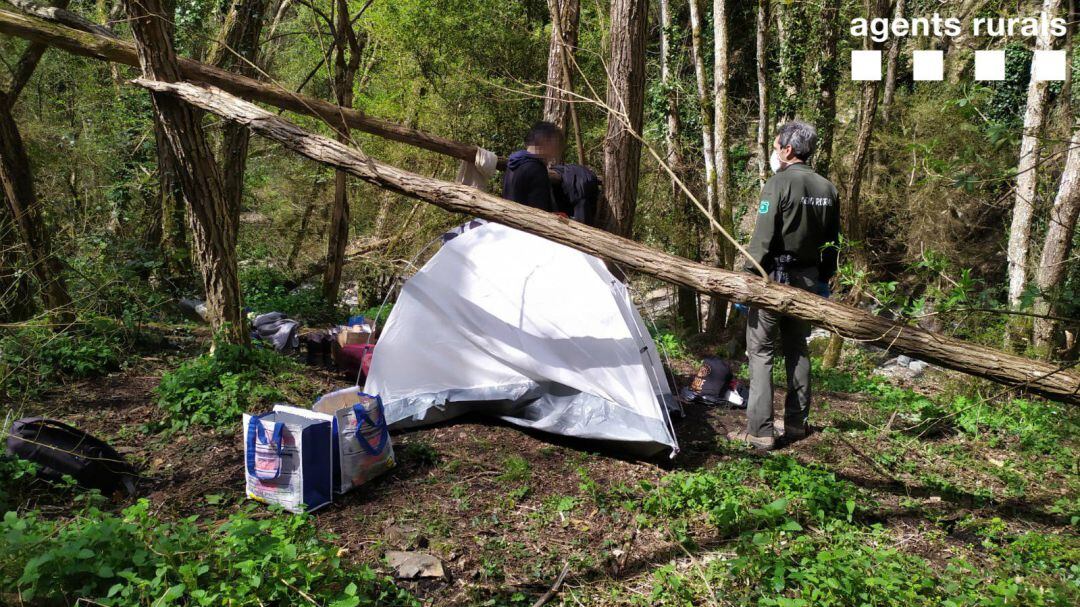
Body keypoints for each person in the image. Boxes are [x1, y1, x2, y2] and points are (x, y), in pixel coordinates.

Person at [727, 120, 841, 450]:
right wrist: (823, 279)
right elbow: (832, 242)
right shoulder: (828, 188)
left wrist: (748, 278)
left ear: (788, 150)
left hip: (772, 279)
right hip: (808, 280)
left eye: (777, 146)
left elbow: (763, 239)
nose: (775, 151)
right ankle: (795, 424)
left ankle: (760, 431)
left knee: (760, 351)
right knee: (797, 348)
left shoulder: (778, 184)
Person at [503, 121, 563, 212]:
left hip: (507, 219)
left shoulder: (514, 163)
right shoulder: (536, 170)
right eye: (556, 143)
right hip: (524, 223)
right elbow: (539, 211)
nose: (557, 150)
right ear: (546, 141)